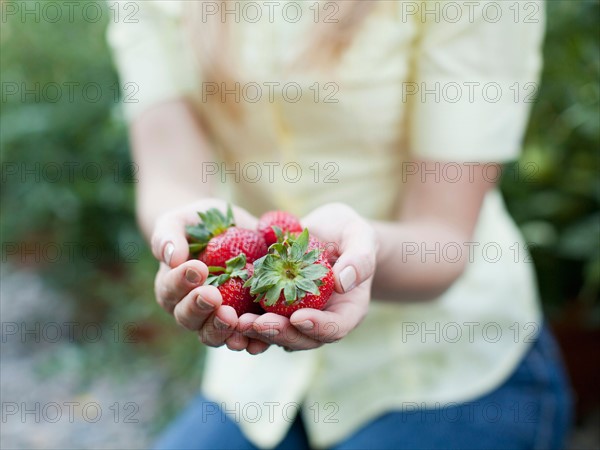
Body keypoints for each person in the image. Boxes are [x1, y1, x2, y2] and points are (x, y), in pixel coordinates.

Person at [107, 1, 572, 448]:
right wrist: (185, 237)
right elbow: (170, 175)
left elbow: (442, 238)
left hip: (447, 365)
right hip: (263, 378)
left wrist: (357, 255)